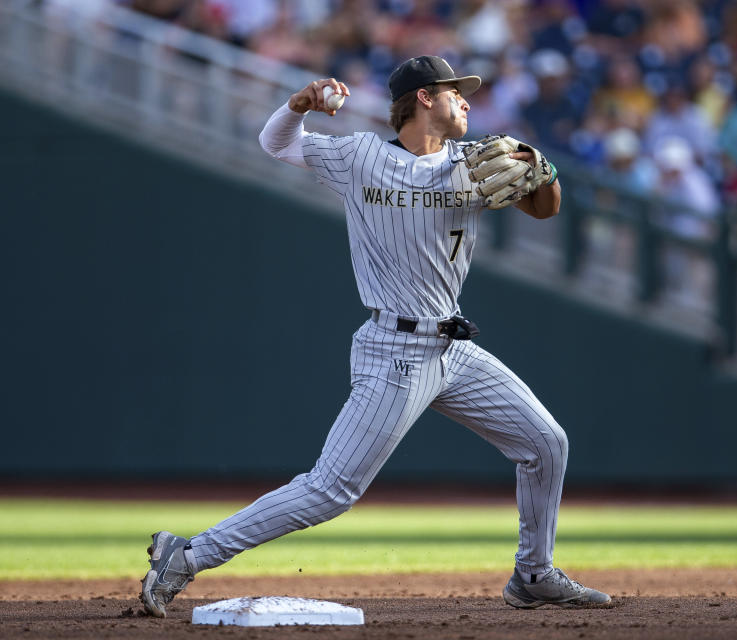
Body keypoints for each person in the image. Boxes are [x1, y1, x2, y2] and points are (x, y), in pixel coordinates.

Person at [139, 55, 611, 617]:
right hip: (393, 351)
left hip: (453, 349)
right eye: (455, 91)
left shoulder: (471, 162)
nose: (466, 101)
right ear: (424, 98)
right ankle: (186, 556)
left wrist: (544, 171)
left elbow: (544, 209)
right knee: (330, 490)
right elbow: (276, 143)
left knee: (545, 444)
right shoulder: (359, 155)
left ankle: (533, 574)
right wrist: (298, 105)